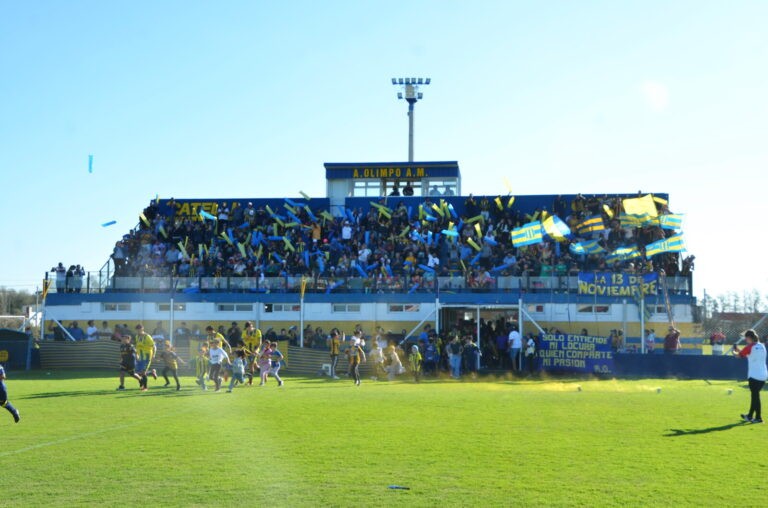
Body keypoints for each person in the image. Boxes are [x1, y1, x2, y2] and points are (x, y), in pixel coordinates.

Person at [733, 329, 767, 424]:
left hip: (754, 375)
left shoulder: (749, 347)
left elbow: (739, 356)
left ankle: (759, 418)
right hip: (763, 375)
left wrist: (734, 352)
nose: (745, 340)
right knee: (754, 396)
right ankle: (750, 416)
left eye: (746, 338)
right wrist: (739, 350)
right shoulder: (762, 346)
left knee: (755, 397)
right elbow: (750, 355)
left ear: (749, 338)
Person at [134, 324, 157, 391]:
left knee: (143, 372)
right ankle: (152, 372)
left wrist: (154, 355)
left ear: (142, 329)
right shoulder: (137, 337)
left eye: (139, 330)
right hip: (140, 357)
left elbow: (154, 346)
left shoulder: (147, 337)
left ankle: (145, 387)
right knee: (139, 373)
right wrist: (137, 355)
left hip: (147, 356)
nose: (138, 331)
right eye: (137, 330)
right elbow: (137, 347)